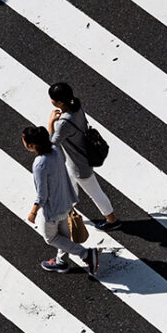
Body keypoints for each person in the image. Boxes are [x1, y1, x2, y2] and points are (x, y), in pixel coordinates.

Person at [23, 126, 99, 275]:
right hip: (66, 201)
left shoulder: (39, 164)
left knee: (50, 238)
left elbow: (42, 194)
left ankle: (86, 254)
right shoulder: (56, 151)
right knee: (63, 236)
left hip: (53, 209)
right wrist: (51, 126)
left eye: (24, 139)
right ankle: (61, 262)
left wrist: (33, 212)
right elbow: (53, 142)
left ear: (32, 145)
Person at [47, 83, 121, 232]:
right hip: (77, 159)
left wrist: (51, 123)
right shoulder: (77, 106)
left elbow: (51, 144)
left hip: (79, 165)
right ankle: (67, 209)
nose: (51, 101)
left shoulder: (63, 124)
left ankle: (112, 220)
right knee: (68, 183)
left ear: (60, 102)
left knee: (95, 193)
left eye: (52, 99)